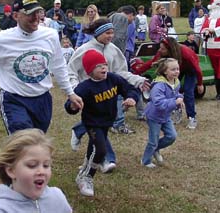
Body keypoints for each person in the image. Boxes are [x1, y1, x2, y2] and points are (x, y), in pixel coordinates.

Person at [0, 0, 83, 134]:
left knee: (37, 140)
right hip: (14, 99)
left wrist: (70, 93)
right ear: (15, 16)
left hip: (42, 100)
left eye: (37, 12)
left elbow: (59, 65)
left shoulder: (50, 35)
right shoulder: (1, 39)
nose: (36, 17)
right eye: (29, 14)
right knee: (24, 143)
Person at [68, 19, 149, 171]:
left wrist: (137, 80)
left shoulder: (114, 50)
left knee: (102, 124)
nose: (111, 36)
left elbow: (121, 72)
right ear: (98, 33)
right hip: (89, 96)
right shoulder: (85, 49)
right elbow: (71, 71)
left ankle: (80, 132)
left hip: (108, 93)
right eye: (107, 33)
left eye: (112, 32)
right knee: (99, 126)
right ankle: (106, 159)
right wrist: (75, 89)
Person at [65, 50, 140, 197]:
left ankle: (85, 169)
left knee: (93, 150)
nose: (104, 68)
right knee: (100, 150)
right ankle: (86, 177)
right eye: (98, 66)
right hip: (93, 123)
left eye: (104, 64)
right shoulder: (84, 88)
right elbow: (70, 105)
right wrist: (72, 106)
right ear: (89, 71)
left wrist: (131, 98)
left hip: (107, 122)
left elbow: (129, 89)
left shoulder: (113, 79)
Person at [0, 128, 72, 213]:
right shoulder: (1, 208)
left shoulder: (57, 197)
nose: (41, 171)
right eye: (32, 165)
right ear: (11, 171)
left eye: (46, 165)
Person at [132, 37, 203, 129]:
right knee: (172, 90)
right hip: (176, 69)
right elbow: (152, 63)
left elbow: (197, 68)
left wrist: (200, 84)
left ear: (170, 49)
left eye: (162, 48)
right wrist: (135, 73)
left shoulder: (185, 52)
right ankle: (176, 111)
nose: (160, 50)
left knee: (188, 91)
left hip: (190, 69)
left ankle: (192, 117)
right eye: (160, 48)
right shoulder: (161, 52)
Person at [141, 58, 182, 168]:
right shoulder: (159, 85)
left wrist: (179, 98)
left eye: (177, 69)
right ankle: (145, 161)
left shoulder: (176, 82)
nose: (176, 72)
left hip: (166, 115)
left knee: (172, 136)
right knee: (153, 140)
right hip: (154, 116)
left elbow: (177, 93)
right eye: (173, 69)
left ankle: (156, 149)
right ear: (165, 71)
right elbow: (159, 103)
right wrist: (174, 102)